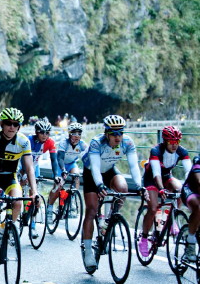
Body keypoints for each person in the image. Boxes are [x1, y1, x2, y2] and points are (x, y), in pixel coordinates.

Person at [80, 115, 147, 271]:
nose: (118, 137)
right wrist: (99, 185)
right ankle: (88, 250)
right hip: (92, 173)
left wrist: (139, 186)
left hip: (109, 170)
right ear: (107, 133)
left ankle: (110, 220)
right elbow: (96, 168)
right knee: (91, 210)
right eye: (114, 133)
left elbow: (134, 166)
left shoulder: (127, 143)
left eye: (120, 133)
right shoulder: (97, 142)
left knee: (123, 188)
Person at [0, 107, 37, 280]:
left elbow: (29, 168)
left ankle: (8, 229)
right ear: (2, 124)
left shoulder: (23, 141)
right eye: (8, 124)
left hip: (10, 178)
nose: (12, 127)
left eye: (16, 124)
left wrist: (34, 191)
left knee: (18, 202)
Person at [138, 126, 192, 256]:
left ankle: (173, 221)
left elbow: (189, 172)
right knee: (153, 208)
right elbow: (156, 173)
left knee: (179, 188)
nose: (174, 145)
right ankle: (144, 238)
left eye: (177, 142)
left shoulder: (182, 151)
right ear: (165, 141)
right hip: (151, 178)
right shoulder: (156, 150)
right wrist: (161, 189)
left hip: (167, 176)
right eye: (171, 142)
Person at [18, 119, 62, 237]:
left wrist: (56, 175)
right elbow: (22, 159)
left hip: (35, 167)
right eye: (42, 132)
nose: (45, 135)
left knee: (35, 195)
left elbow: (53, 160)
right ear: (36, 132)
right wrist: (22, 174)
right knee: (18, 190)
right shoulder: (29, 141)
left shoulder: (50, 142)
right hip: (22, 165)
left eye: (47, 133)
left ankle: (33, 226)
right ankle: (13, 214)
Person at [47, 122, 88, 222]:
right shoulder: (64, 143)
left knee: (77, 176)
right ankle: (49, 209)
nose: (77, 136)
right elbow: (60, 158)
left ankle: (72, 199)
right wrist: (63, 170)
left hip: (72, 163)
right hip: (60, 165)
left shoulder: (82, 144)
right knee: (58, 186)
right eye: (74, 134)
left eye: (79, 134)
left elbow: (88, 158)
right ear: (69, 134)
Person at [181, 155, 200, 260]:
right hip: (191, 191)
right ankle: (191, 242)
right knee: (198, 207)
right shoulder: (198, 161)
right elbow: (199, 182)